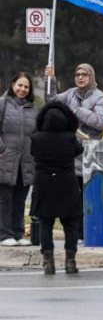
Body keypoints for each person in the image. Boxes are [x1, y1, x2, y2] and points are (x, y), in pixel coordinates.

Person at [45, 63, 103, 240]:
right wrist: (50, 80)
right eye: (77, 74)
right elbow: (51, 102)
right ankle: (75, 233)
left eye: (84, 74)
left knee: (89, 197)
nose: (80, 77)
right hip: (70, 155)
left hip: (90, 156)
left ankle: (89, 232)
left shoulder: (100, 97)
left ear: (91, 77)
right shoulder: (70, 93)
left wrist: (77, 111)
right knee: (72, 198)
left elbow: (102, 122)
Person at [30, 101, 83, 274]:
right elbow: (78, 150)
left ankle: (48, 263)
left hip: (43, 184)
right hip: (66, 183)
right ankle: (70, 262)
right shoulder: (69, 137)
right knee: (70, 224)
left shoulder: (36, 137)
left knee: (46, 223)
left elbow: (33, 153)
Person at [0, 72, 37, 247]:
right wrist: (3, 150)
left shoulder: (33, 108)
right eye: (20, 85)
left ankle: (18, 232)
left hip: (26, 161)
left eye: (26, 86)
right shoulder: (2, 103)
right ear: (13, 84)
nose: (23, 89)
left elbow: (36, 134)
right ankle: (4, 234)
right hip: (5, 159)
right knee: (5, 198)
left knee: (20, 199)